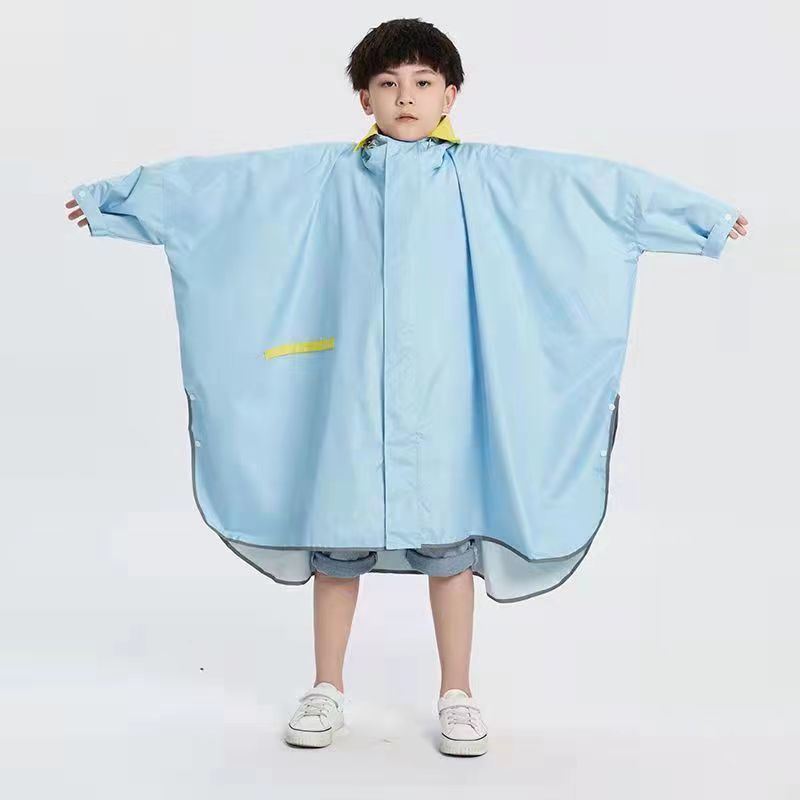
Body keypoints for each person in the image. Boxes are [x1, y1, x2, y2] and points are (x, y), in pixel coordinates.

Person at [65, 18, 748, 758]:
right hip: (350, 402)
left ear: (451, 94)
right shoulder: (323, 176)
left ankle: (457, 693)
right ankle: (326, 687)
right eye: (388, 84)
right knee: (338, 543)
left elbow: (592, 193)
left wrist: (699, 220)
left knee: (449, 547)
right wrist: (122, 200)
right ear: (365, 98)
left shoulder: (491, 177)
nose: (406, 97)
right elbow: (226, 190)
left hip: (446, 404)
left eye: (423, 82)